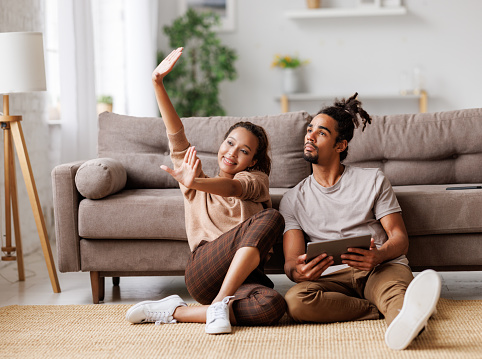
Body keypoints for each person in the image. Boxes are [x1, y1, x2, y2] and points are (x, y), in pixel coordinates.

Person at [126, 47, 286, 335]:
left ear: (253, 161)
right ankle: (219, 303)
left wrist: (195, 182)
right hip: (204, 271)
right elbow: (176, 135)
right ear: (221, 144)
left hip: (247, 277)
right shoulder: (195, 179)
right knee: (272, 218)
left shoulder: (257, 181)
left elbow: (234, 186)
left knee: (273, 305)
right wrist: (157, 85)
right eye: (230, 143)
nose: (233, 153)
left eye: (244, 151)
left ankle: (179, 311)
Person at [279, 93, 442, 350]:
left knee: (392, 292)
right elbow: (291, 262)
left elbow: (399, 239)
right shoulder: (292, 199)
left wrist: (379, 256)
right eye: (309, 130)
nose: (309, 136)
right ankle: (386, 308)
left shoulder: (373, 180)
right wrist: (298, 272)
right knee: (295, 302)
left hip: (379, 268)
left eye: (321, 133)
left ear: (340, 145)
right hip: (331, 278)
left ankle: (402, 316)